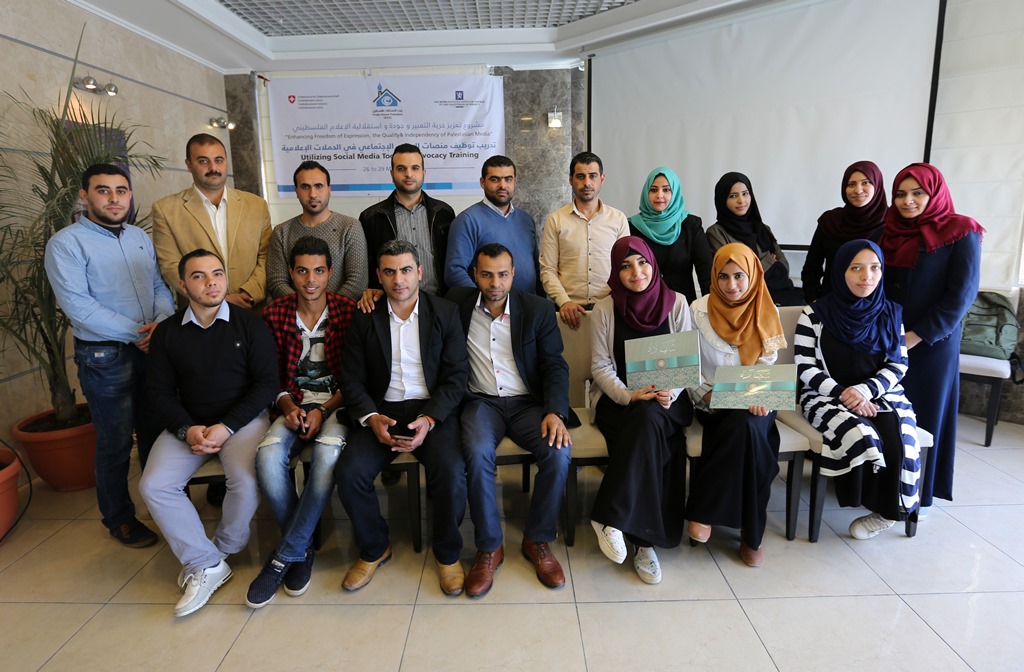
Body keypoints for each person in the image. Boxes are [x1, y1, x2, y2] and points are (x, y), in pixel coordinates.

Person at [140, 249, 278, 617]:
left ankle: (221, 551)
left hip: (242, 422)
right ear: (182, 285)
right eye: (199, 276)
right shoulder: (168, 333)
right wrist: (188, 430)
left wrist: (226, 426)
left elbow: (267, 383)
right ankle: (205, 562)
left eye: (217, 274)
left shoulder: (250, 324)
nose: (211, 282)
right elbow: (159, 392)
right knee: (154, 485)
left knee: (246, 480)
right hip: (189, 425)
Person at [43, 163, 174, 548]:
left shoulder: (138, 237)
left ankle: (162, 505)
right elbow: (79, 308)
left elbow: (158, 285)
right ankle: (119, 519)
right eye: (104, 190)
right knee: (115, 442)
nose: (114, 199)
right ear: (85, 195)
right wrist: (139, 334)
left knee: (155, 433)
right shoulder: (66, 244)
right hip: (105, 358)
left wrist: (161, 326)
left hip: (152, 349)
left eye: (121, 190)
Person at [334, 239, 469, 595]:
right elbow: (351, 378)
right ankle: (375, 547)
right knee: (349, 473)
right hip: (383, 410)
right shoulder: (365, 316)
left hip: (430, 410)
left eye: (406, 270)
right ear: (378, 276)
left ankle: (447, 554)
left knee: (452, 472)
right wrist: (370, 418)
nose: (399, 280)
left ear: (420, 272)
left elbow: (456, 377)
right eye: (390, 272)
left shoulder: (445, 313)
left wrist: (430, 419)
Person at [449, 243, 573, 597]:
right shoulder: (455, 304)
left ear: (514, 273)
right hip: (480, 402)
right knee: (476, 452)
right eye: (487, 275)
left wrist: (555, 412)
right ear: (475, 275)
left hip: (527, 404)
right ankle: (489, 547)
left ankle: (538, 540)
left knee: (558, 452)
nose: (495, 283)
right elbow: (409, 297)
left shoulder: (537, 309)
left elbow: (554, 365)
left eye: (503, 274)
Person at [246, 237, 357, 608]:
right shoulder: (275, 314)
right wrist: (288, 405)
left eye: (319, 271)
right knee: (266, 457)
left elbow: (355, 378)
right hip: (291, 404)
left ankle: (286, 554)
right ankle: (302, 547)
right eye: (303, 271)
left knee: (326, 456)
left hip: (336, 406)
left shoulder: (348, 311)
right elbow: (268, 376)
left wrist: (323, 411)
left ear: (330, 273)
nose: (311, 280)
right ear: (291, 273)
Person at [795, 240, 920, 539]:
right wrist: (844, 393)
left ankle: (887, 513)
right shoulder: (814, 314)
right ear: (841, 271)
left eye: (875, 268)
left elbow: (899, 364)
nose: (867, 276)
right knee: (861, 434)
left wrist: (865, 390)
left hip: (879, 393)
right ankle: (858, 497)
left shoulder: (891, 313)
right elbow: (805, 367)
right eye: (856, 268)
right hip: (826, 394)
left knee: (899, 438)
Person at [588, 236, 695, 585]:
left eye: (643, 262)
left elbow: (686, 361)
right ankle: (644, 544)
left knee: (649, 420)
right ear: (615, 272)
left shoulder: (678, 303)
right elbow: (600, 366)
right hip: (620, 402)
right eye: (625, 266)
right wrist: (628, 395)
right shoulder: (604, 309)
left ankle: (612, 517)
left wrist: (670, 391)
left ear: (653, 264)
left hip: (667, 401)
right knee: (648, 426)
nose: (636, 272)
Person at [881, 163, 983, 513]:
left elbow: (961, 296)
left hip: (932, 343)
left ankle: (918, 496)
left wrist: (917, 336)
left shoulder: (962, 231)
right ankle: (882, 488)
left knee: (924, 417)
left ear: (934, 193)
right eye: (900, 194)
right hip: (887, 338)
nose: (907, 201)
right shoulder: (888, 230)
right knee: (886, 413)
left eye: (917, 193)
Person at [686, 243, 786, 567]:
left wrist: (755, 394)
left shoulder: (766, 308)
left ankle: (704, 510)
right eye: (724, 276)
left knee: (746, 426)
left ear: (753, 274)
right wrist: (704, 393)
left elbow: (768, 363)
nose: (731, 285)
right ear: (714, 276)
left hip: (756, 401)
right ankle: (751, 533)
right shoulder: (696, 310)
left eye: (739, 276)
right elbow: (688, 365)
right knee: (745, 430)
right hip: (711, 402)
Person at [152, 133, 272, 309]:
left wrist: (250, 293)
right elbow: (170, 266)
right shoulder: (166, 210)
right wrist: (219, 299)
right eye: (203, 161)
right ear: (189, 165)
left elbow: (267, 256)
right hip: (200, 313)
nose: (213, 167)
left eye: (219, 160)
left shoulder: (257, 205)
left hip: (251, 308)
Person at [359, 143, 456, 310]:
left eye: (415, 168)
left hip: (438, 303)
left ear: (424, 172)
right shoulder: (371, 217)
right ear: (392, 174)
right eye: (401, 168)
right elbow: (367, 265)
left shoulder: (444, 213)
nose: (408, 174)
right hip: (392, 306)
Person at [539, 151, 629, 329]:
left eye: (592, 176)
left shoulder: (618, 219)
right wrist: (564, 302)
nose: (587, 183)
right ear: (571, 179)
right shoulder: (556, 220)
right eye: (580, 176)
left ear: (602, 179)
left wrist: (615, 301)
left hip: (611, 309)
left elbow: (626, 267)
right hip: (568, 312)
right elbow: (548, 270)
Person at [265, 161, 367, 301]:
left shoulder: (350, 227)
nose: (312, 194)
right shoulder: (281, 232)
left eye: (318, 186)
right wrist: (305, 308)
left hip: (342, 312)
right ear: (296, 191)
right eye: (305, 187)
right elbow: (276, 282)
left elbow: (357, 282)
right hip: (294, 313)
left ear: (329, 189)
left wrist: (328, 308)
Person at [445, 155, 540, 294]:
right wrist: (485, 301)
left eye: (508, 179)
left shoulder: (526, 219)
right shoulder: (468, 220)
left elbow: (536, 267)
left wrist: (540, 302)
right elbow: (454, 272)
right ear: (482, 182)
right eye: (495, 179)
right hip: (488, 306)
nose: (502, 185)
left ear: (515, 182)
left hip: (527, 304)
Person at [706, 172, 801, 306]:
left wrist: (752, 268)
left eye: (745, 193)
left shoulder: (763, 228)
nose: (741, 200)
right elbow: (734, 274)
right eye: (733, 196)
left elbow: (784, 266)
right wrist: (769, 261)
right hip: (745, 303)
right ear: (722, 200)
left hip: (780, 294)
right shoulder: (716, 233)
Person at [801, 161, 887, 303]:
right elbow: (812, 268)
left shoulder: (891, 223)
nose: (858, 190)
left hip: (875, 308)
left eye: (865, 183)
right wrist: (814, 300)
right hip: (831, 305)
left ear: (877, 185)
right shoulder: (830, 221)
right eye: (851, 184)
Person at [628, 166, 713, 304]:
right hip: (645, 306)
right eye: (653, 190)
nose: (659, 195)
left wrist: (710, 306)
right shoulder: (632, 227)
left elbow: (706, 271)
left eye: (666, 190)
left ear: (675, 193)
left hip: (683, 306)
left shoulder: (690, 225)